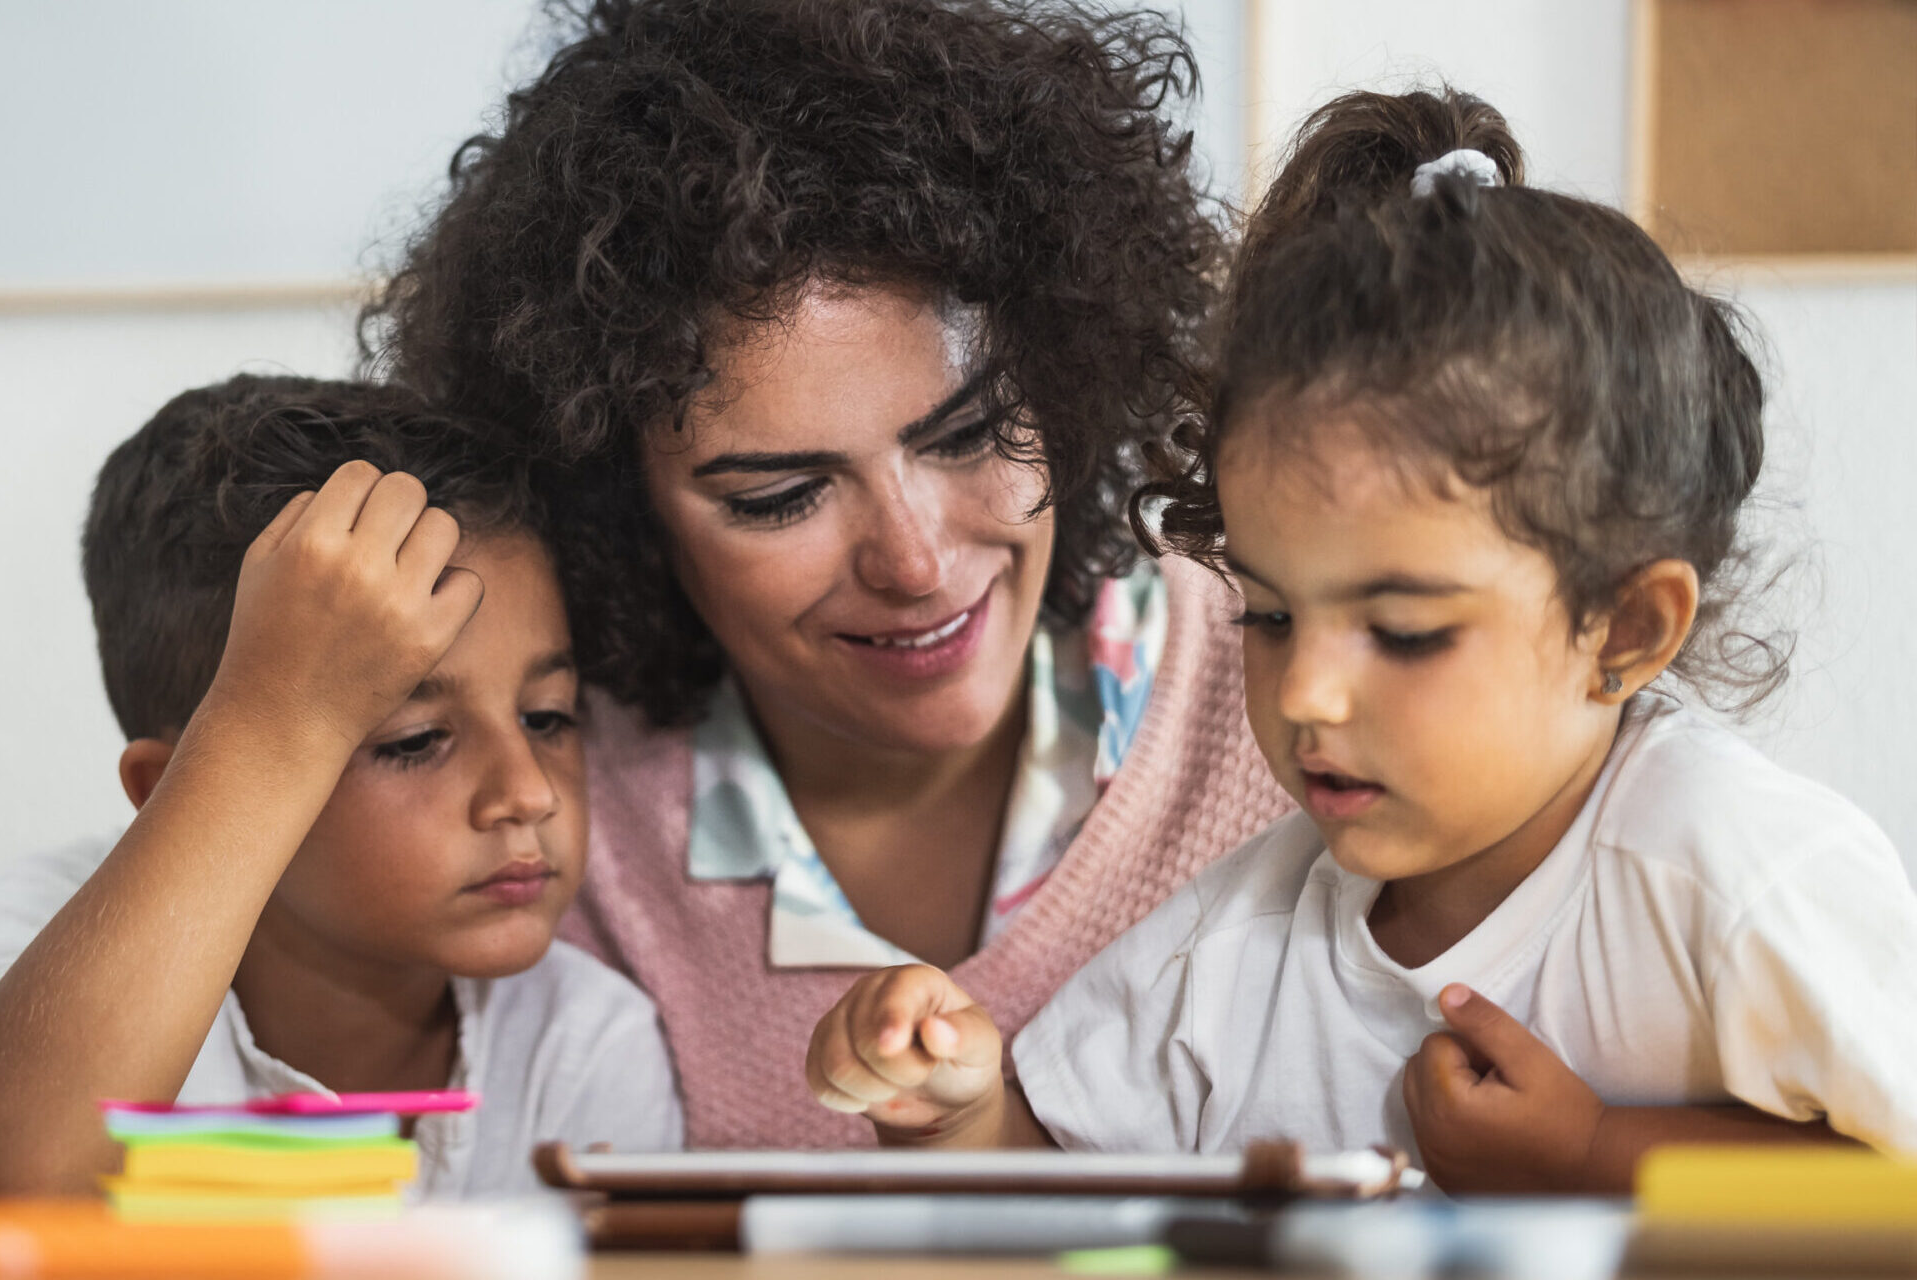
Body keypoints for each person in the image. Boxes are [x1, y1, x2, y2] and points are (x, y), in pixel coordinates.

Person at [803, 89, 1917, 1190]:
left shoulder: (1728, 874)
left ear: (1621, 629)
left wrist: (1593, 1154)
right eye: (1271, 614)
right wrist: (956, 1116)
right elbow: (1060, 1197)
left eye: (1402, 630)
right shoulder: (1233, 947)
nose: (1307, 695)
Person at [366, 0, 1293, 1149]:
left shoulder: (1301, 673)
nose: (915, 560)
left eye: (966, 433)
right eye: (779, 497)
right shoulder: (544, 819)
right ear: (618, 512)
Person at [0, 376, 681, 1197]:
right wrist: (268, 721)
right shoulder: (57, 918)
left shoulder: (584, 1040)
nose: (528, 794)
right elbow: (16, 1175)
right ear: (168, 788)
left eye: (548, 717)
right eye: (416, 741)